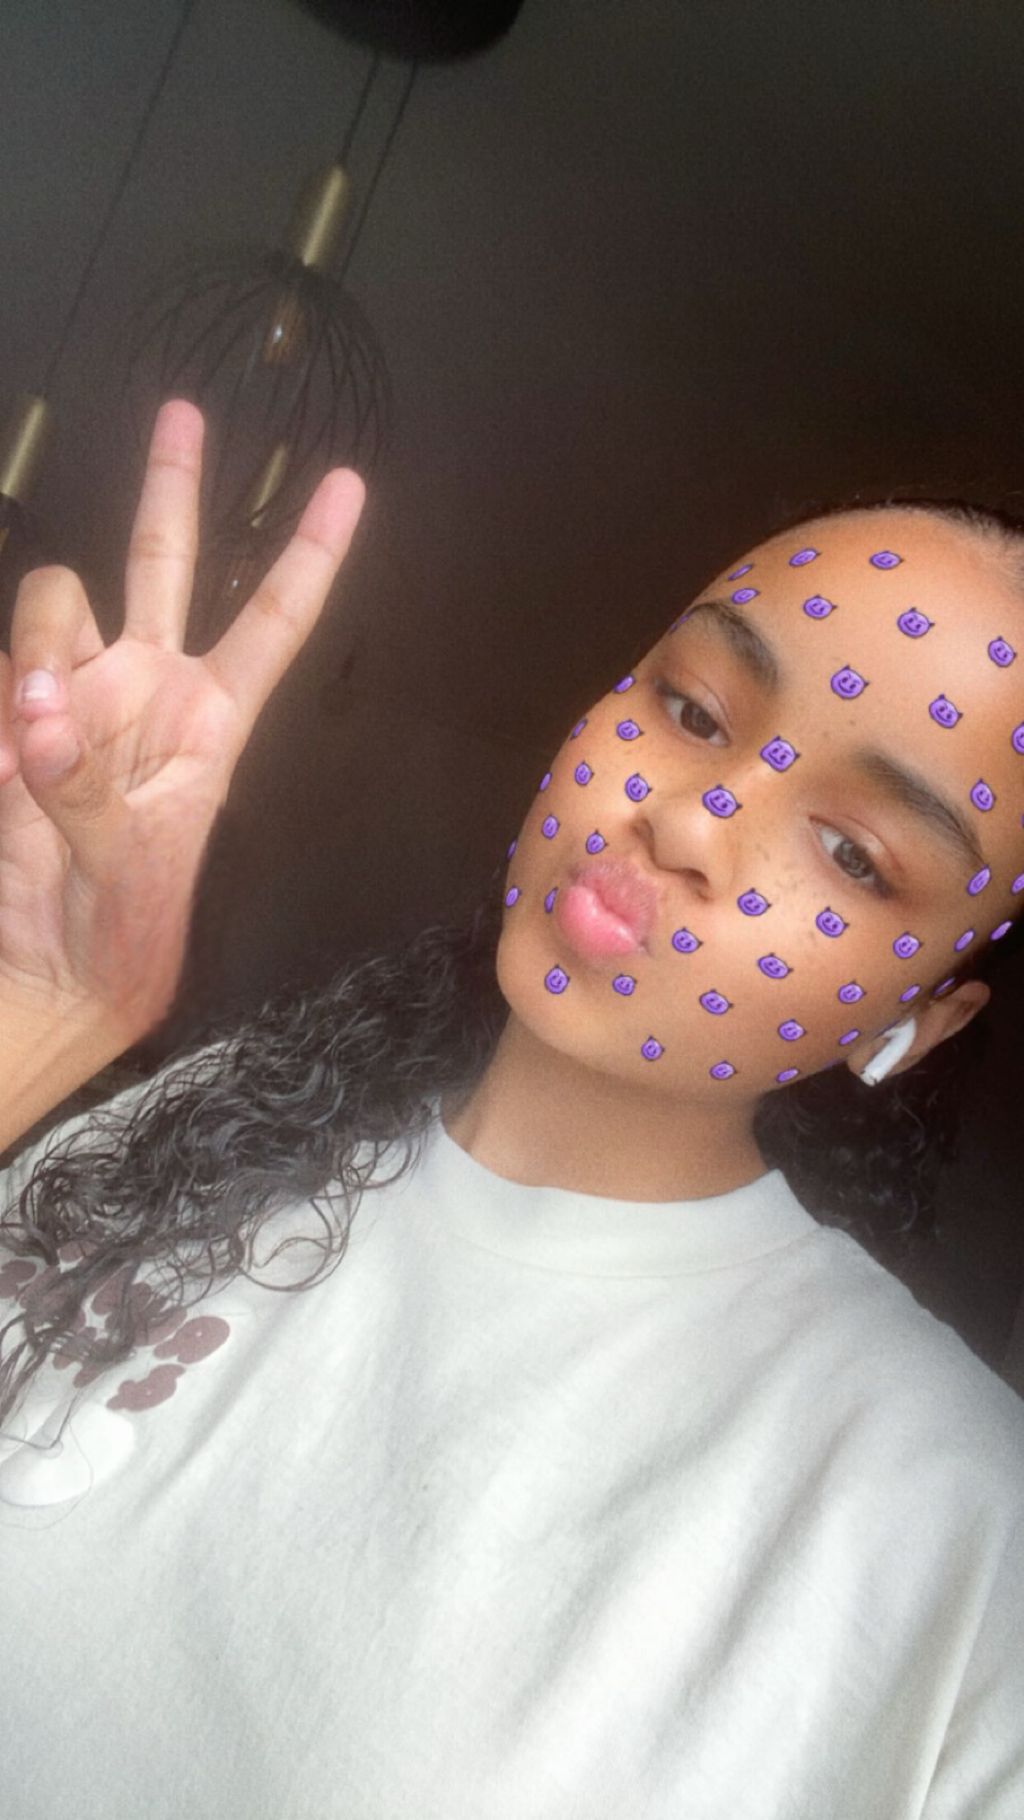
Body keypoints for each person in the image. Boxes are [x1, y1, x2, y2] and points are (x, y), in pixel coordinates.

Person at [0, 397, 1022, 1817]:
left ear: (916, 1024)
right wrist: (37, 1005)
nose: (691, 818)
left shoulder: (961, 1550)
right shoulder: (218, 1116)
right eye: (692, 710)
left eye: (853, 852)